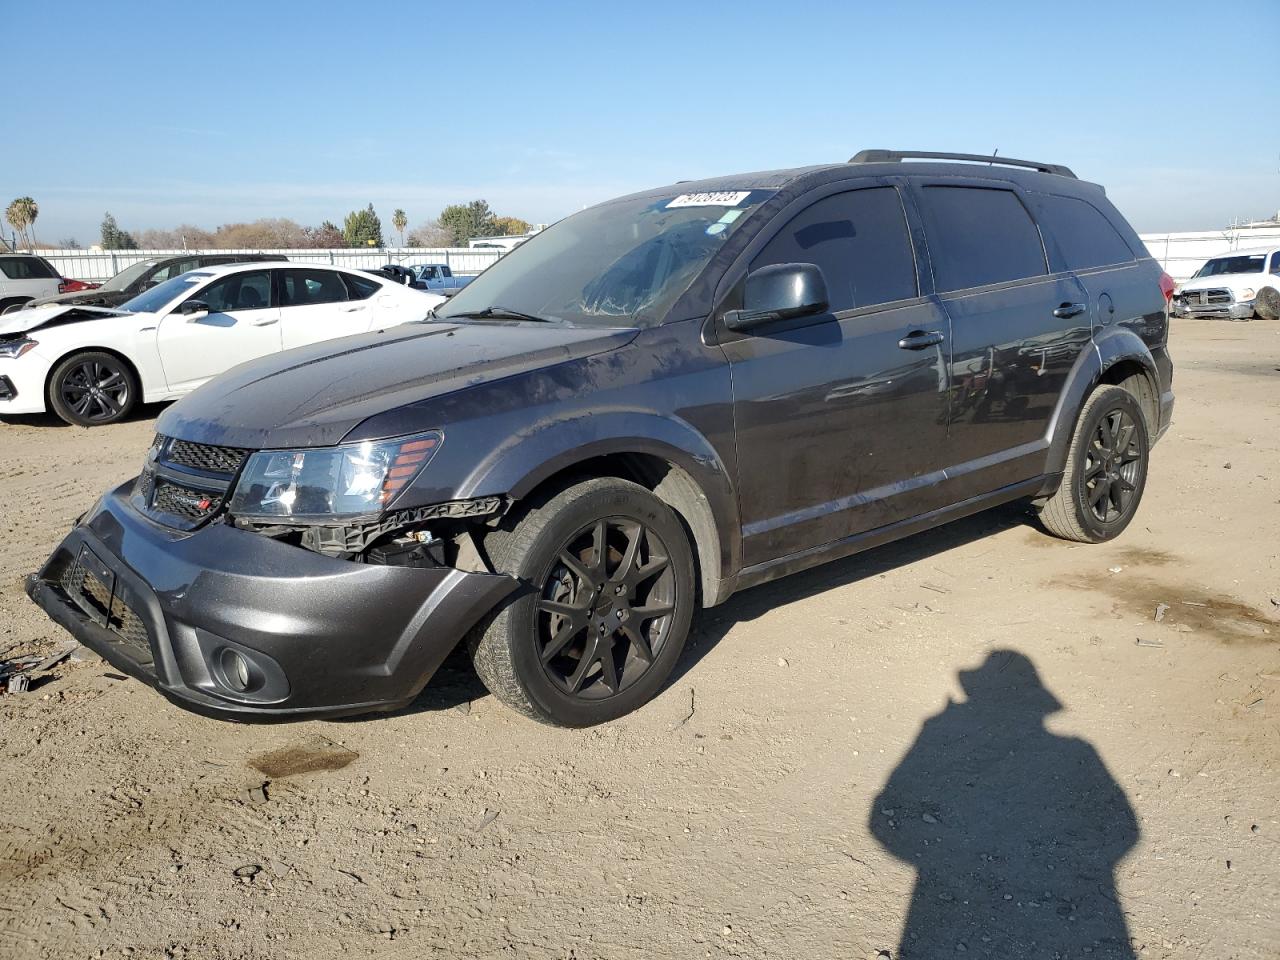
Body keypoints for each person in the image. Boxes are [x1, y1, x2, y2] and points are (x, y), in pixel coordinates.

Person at [871, 650, 1138, 958]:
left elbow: (882, 816)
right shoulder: (1079, 751)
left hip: (943, 900)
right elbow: (1126, 829)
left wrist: (942, 859)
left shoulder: (937, 728)